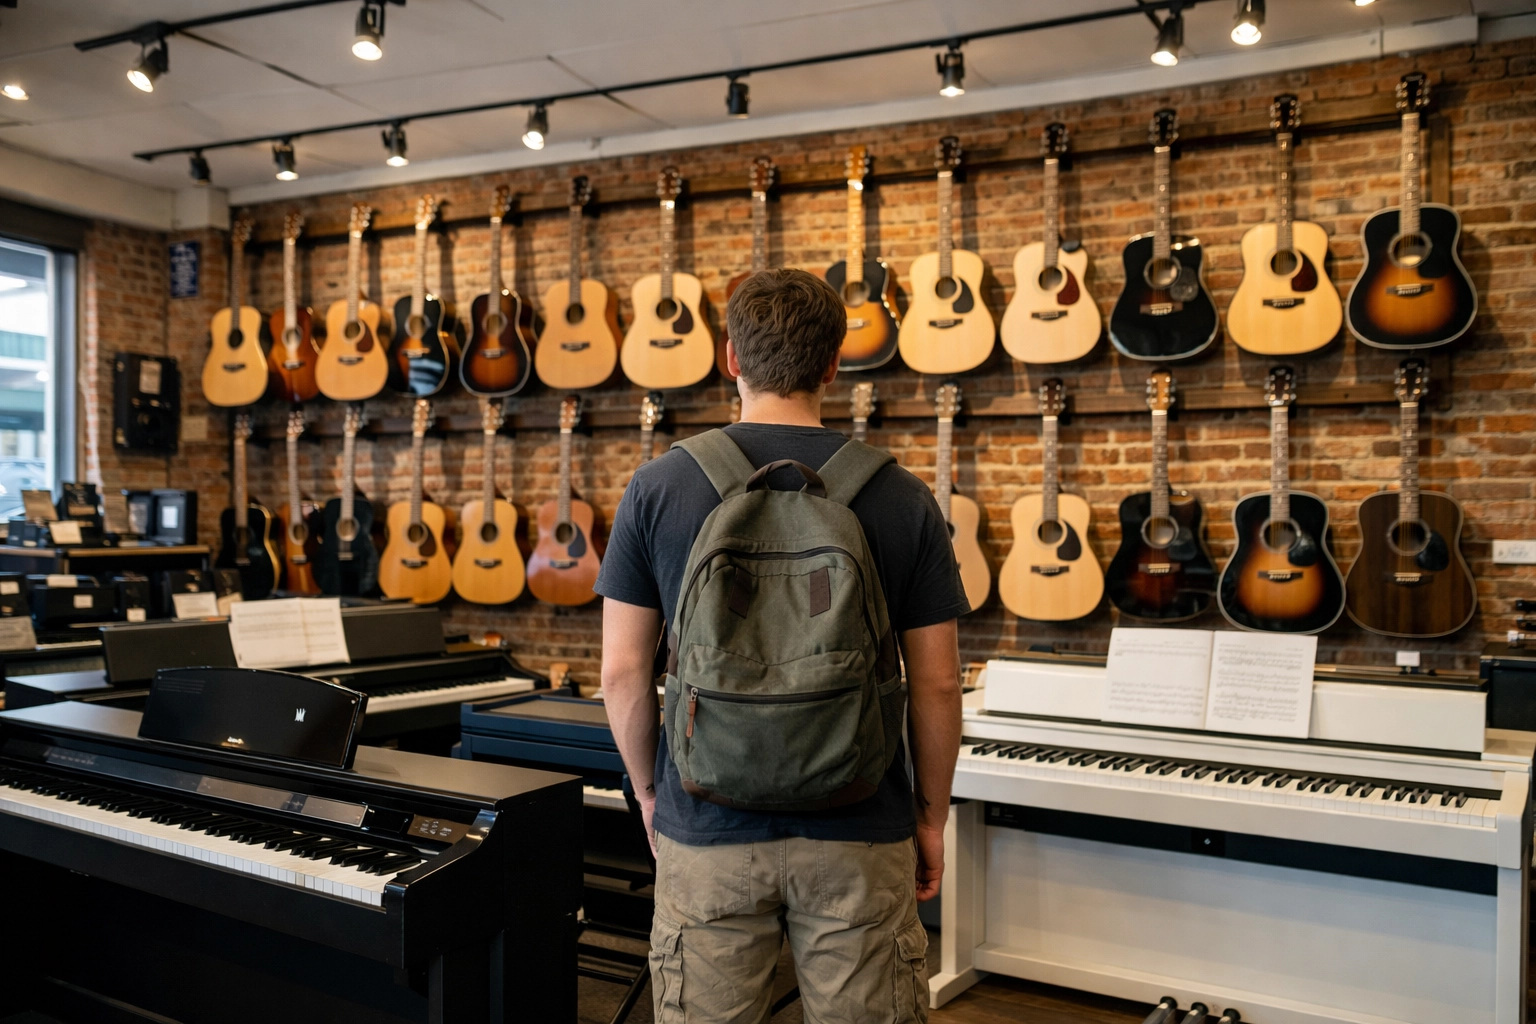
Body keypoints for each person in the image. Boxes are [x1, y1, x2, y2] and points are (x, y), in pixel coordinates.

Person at [597, 268, 965, 1024]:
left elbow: (623, 674)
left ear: (730, 357)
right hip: (862, 830)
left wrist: (648, 793)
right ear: (835, 363)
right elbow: (937, 686)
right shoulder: (901, 496)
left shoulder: (658, 488)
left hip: (706, 827)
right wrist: (930, 819)